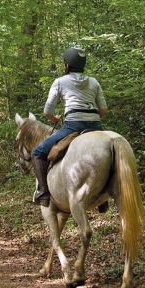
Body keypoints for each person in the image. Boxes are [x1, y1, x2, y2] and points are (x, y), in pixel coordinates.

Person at [31, 47, 109, 204]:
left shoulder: (59, 82)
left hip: (73, 125)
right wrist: (91, 118)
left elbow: (47, 111)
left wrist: (54, 118)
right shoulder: (94, 82)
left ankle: (43, 192)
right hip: (95, 125)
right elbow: (104, 110)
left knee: (37, 152)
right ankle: (103, 196)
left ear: (66, 65)